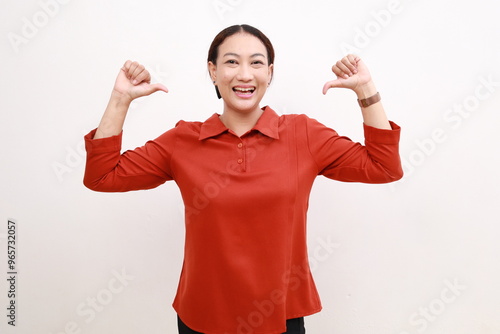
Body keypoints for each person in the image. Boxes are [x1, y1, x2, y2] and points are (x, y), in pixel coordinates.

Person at [83, 24, 403, 334]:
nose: (245, 74)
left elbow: (384, 167)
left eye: (256, 63)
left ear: (270, 73)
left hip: (281, 317)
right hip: (202, 317)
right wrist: (121, 99)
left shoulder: (303, 134)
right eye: (231, 62)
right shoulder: (182, 141)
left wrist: (365, 90)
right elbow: (102, 176)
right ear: (213, 71)